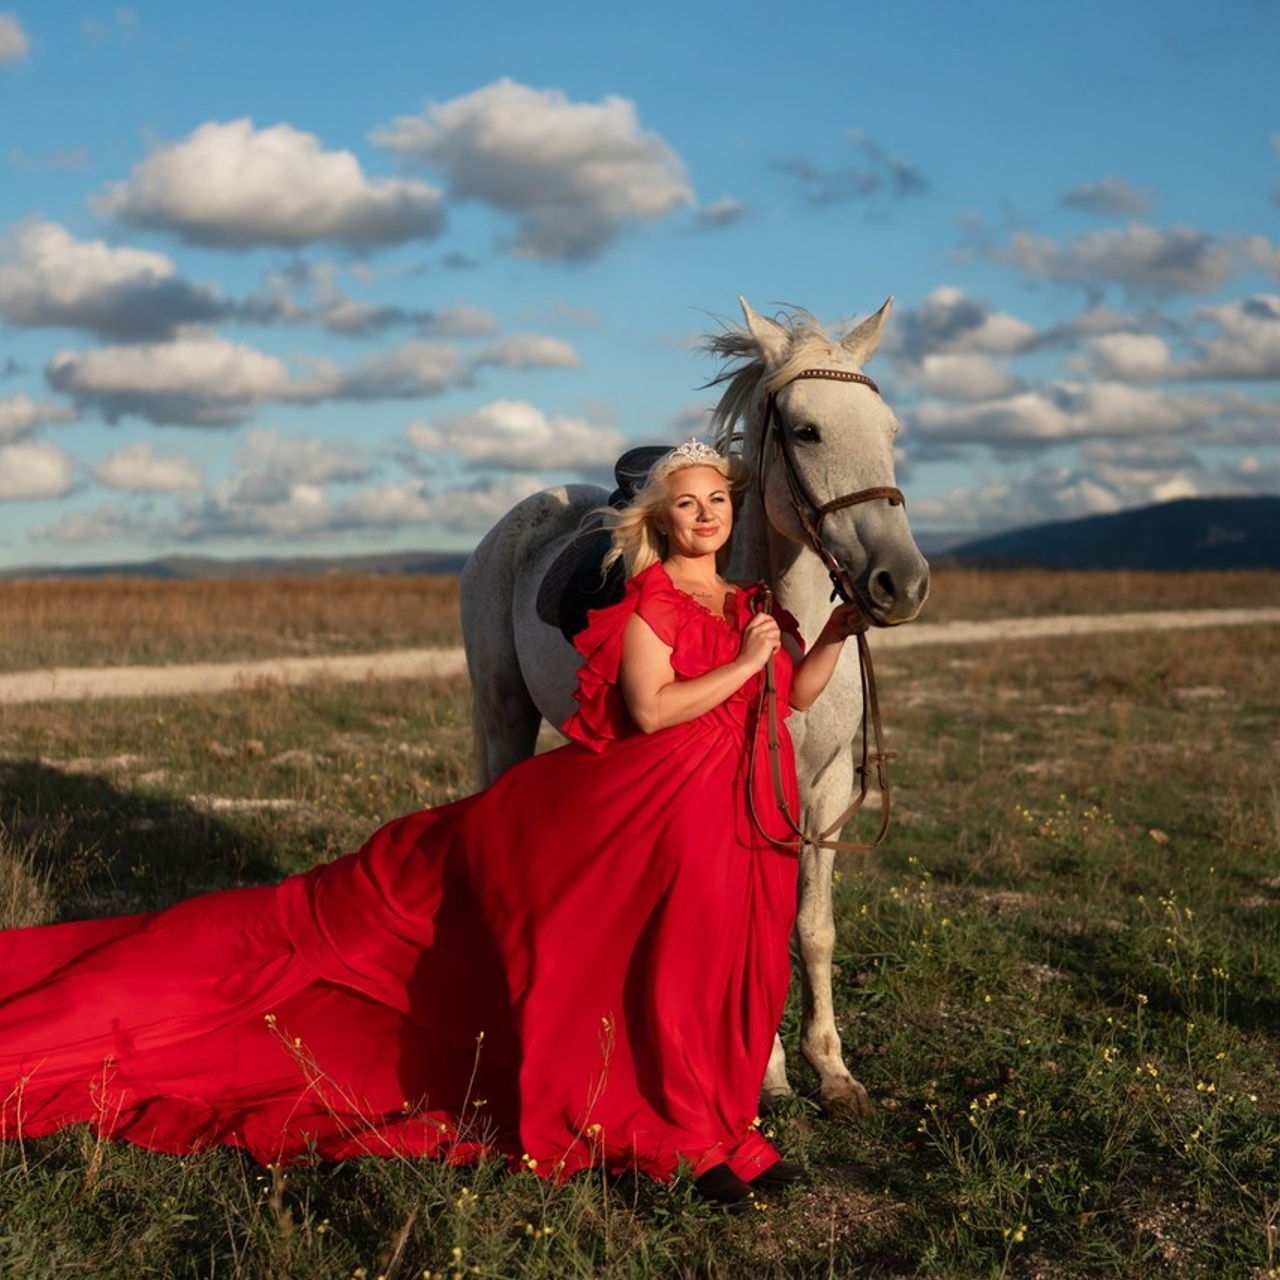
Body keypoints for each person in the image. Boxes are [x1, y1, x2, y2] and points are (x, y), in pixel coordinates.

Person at [0, 440, 863, 1208]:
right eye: (687, 501)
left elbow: (790, 695)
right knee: (670, 970)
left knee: (731, 971)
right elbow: (650, 707)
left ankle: (722, 1130)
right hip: (655, 816)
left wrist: (831, 633)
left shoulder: (747, 601)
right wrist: (748, 660)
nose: (706, 514)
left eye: (718, 499)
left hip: (746, 822)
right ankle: (673, 1141)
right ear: (659, 517)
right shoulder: (651, 601)